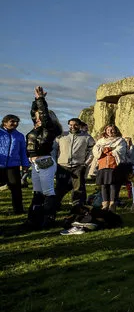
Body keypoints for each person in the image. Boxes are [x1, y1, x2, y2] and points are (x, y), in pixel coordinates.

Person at [25, 86, 63, 228]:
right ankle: (34, 218)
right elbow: (33, 113)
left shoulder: (49, 128)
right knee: (37, 192)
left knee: (47, 191)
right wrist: (36, 100)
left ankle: (49, 218)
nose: (37, 118)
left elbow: (44, 115)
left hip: (45, 161)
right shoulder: (36, 128)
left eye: (39, 116)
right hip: (35, 163)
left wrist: (41, 99)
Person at [52, 118, 95, 208]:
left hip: (78, 165)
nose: (73, 127)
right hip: (62, 166)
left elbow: (92, 152)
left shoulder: (87, 137)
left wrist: (86, 164)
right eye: (71, 125)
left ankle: (78, 206)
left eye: (75, 125)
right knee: (60, 187)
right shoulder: (62, 136)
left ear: (79, 125)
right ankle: (54, 204)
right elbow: (54, 149)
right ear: (68, 125)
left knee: (79, 187)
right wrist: (54, 162)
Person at [90, 124, 127, 212]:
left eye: (112, 130)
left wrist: (106, 150)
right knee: (104, 186)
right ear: (105, 131)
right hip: (103, 166)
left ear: (116, 131)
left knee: (113, 185)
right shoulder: (100, 141)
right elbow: (96, 151)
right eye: (108, 130)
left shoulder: (120, 140)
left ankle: (112, 204)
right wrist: (106, 150)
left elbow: (120, 150)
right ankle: (105, 204)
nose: (110, 132)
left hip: (114, 166)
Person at [0, 115, 29, 214]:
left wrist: (25, 164)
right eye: (12, 121)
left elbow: (22, 151)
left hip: (13, 166)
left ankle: (18, 210)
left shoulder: (19, 135)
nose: (15, 124)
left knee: (16, 189)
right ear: (5, 122)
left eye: (17, 122)